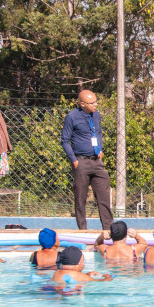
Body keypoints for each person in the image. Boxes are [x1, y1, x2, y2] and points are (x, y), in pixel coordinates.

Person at [60, 90, 113, 230]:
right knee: (80, 198)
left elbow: (99, 132)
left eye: (96, 101)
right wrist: (74, 160)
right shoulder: (71, 117)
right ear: (82, 103)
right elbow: (64, 140)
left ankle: (108, 229)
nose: (95, 105)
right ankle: (83, 230)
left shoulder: (96, 115)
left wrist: (100, 149)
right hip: (81, 162)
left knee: (104, 196)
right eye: (92, 103)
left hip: (96, 161)